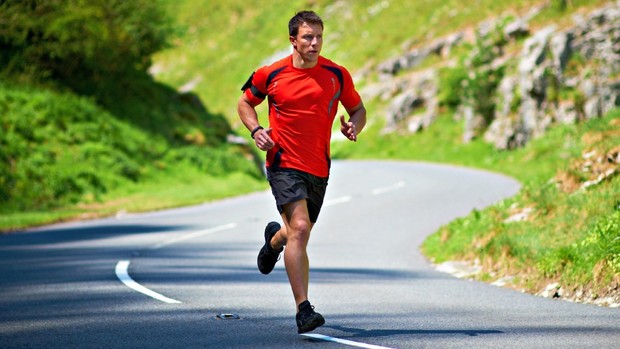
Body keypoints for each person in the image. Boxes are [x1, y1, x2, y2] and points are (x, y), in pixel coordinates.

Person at [237, 10, 366, 334]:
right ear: (293, 40)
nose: (315, 42)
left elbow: (358, 108)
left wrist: (354, 126)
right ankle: (303, 309)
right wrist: (256, 131)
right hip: (282, 162)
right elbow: (245, 103)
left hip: (318, 167)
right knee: (301, 227)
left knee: (295, 232)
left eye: (319, 36)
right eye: (308, 37)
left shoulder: (336, 74)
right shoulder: (271, 73)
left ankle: (273, 243)